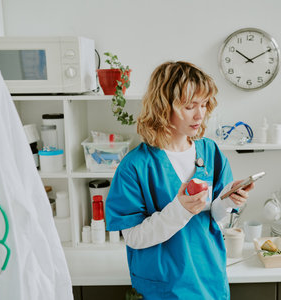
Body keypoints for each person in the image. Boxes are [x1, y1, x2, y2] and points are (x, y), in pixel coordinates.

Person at [105, 61, 254, 299]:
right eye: (189, 106)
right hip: (164, 288)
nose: (200, 114)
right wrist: (180, 210)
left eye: (204, 104)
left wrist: (227, 201)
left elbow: (212, 219)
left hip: (208, 280)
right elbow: (133, 237)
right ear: (163, 107)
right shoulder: (135, 166)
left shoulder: (210, 152)